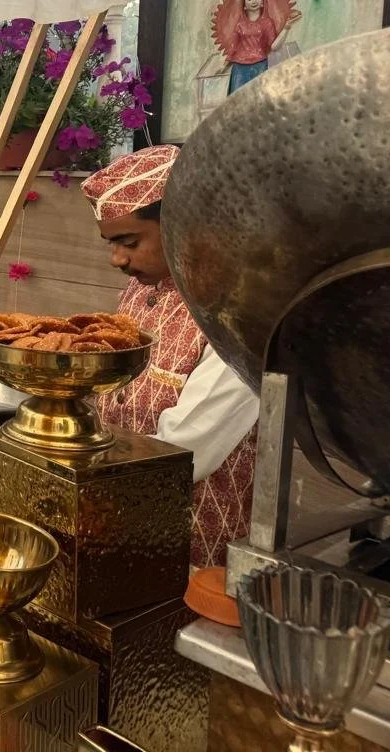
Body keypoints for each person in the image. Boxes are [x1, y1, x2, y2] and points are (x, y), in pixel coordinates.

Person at [81, 145, 259, 568]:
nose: (117, 259)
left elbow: (186, 450)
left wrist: (71, 469)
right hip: (113, 518)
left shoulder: (237, 311)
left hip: (189, 544)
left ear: (183, 224)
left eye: (128, 242)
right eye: (111, 244)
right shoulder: (143, 288)